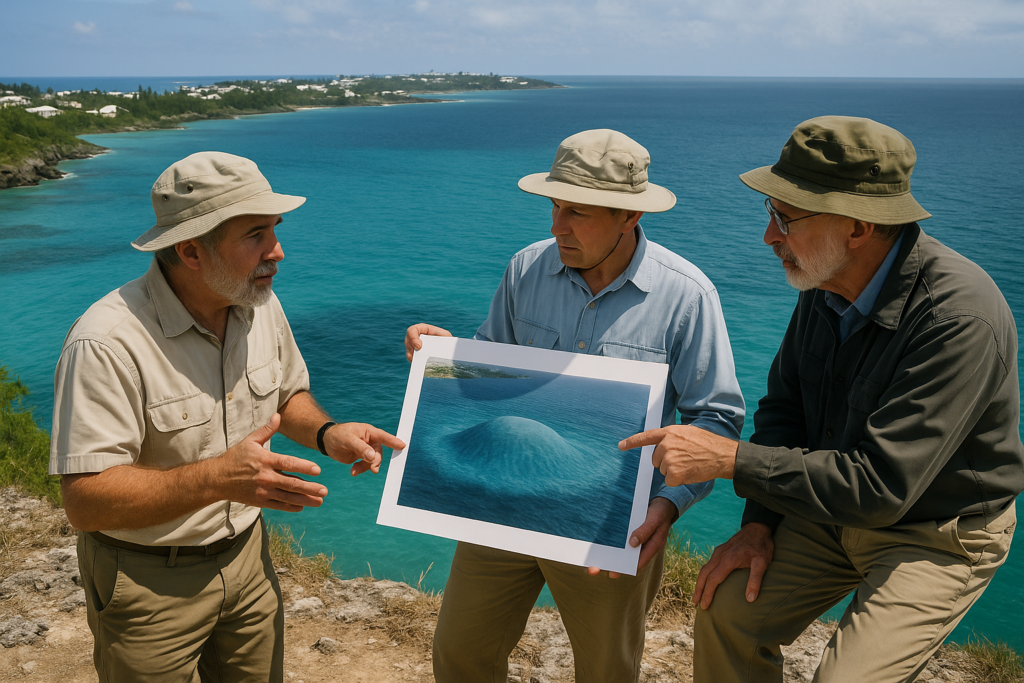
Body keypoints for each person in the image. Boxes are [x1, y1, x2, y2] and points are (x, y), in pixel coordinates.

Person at [621, 116, 1023, 682]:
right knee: (727, 610)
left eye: (786, 219)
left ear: (858, 226)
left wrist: (729, 458)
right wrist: (758, 525)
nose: (769, 236)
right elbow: (785, 411)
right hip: (832, 509)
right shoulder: (827, 280)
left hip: (934, 531)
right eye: (771, 213)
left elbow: (881, 487)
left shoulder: (957, 319)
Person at [405, 129, 745, 683]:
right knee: (459, 655)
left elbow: (716, 420)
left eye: (577, 212)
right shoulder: (525, 269)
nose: (556, 226)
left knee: (606, 671)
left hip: (613, 522)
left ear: (629, 216)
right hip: (503, 504)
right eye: (555, 206)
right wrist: (447, 357)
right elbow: (492, 371)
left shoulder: (687, 295)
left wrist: (667, 505)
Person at [49, 151, 405, 681]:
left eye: (275, 230)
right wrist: (216, 478)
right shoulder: (105, 343)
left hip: (248, 559)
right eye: (255, 235)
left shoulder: (258, 302)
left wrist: (328, 433)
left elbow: (285, 395)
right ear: (192, 250)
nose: (277, 252)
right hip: (147, 581)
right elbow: (85, 501)